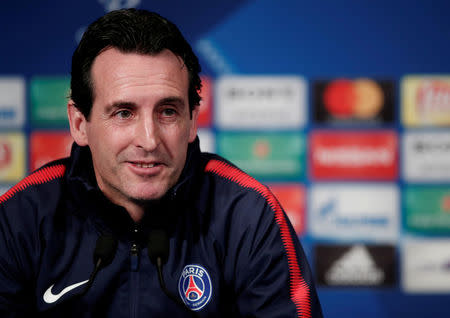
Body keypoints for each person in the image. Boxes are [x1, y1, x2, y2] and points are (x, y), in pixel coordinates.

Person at [0, 8, 323, 317]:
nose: (149, 140)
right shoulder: (20, 218)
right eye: (123, 113)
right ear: (80, 124)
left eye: (168, 111)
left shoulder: (247, 215)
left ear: (193, 120)